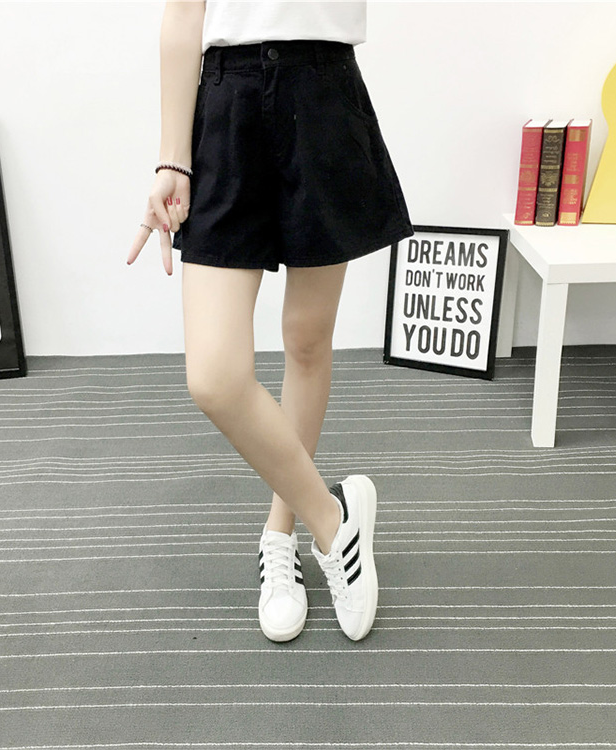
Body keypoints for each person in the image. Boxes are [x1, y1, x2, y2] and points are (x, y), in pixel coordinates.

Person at [127, 0, 413, 642]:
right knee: (214, 376)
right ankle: (334, 523)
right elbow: (183, 13)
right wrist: (172, 159)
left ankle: (280, 535)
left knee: (307, 340)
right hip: (227, 103)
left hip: (323, 91)